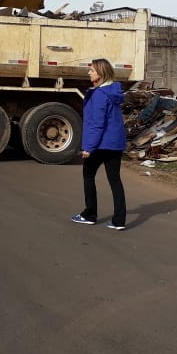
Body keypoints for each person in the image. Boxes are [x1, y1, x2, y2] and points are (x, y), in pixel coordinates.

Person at [72, 58, 128, 230]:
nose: (89, 73)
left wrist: (88, 148)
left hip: (101, 144)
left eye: (92, 70)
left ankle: (90, 214)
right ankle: (119, 220)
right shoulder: (114, 91)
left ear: (101, 74)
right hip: (115, 143)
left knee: (88, 176)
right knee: (115, 180)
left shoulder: (99, 95)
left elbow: (97, 124)